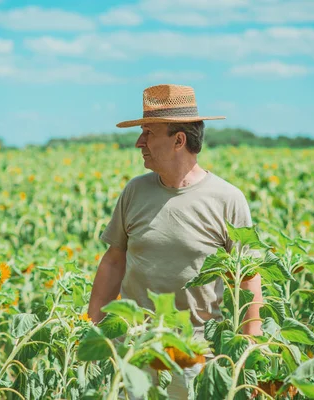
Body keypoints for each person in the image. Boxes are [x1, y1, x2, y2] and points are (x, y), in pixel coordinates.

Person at [87, 84, 263, 398]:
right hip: (136, 347)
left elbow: (247, 275)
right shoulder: (135, 191)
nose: (139, 142)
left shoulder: (226, 199)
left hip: (195, 354)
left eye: (148, 133)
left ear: (178, 140)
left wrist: (250, 345)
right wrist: (92, 327)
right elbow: (114, 261)